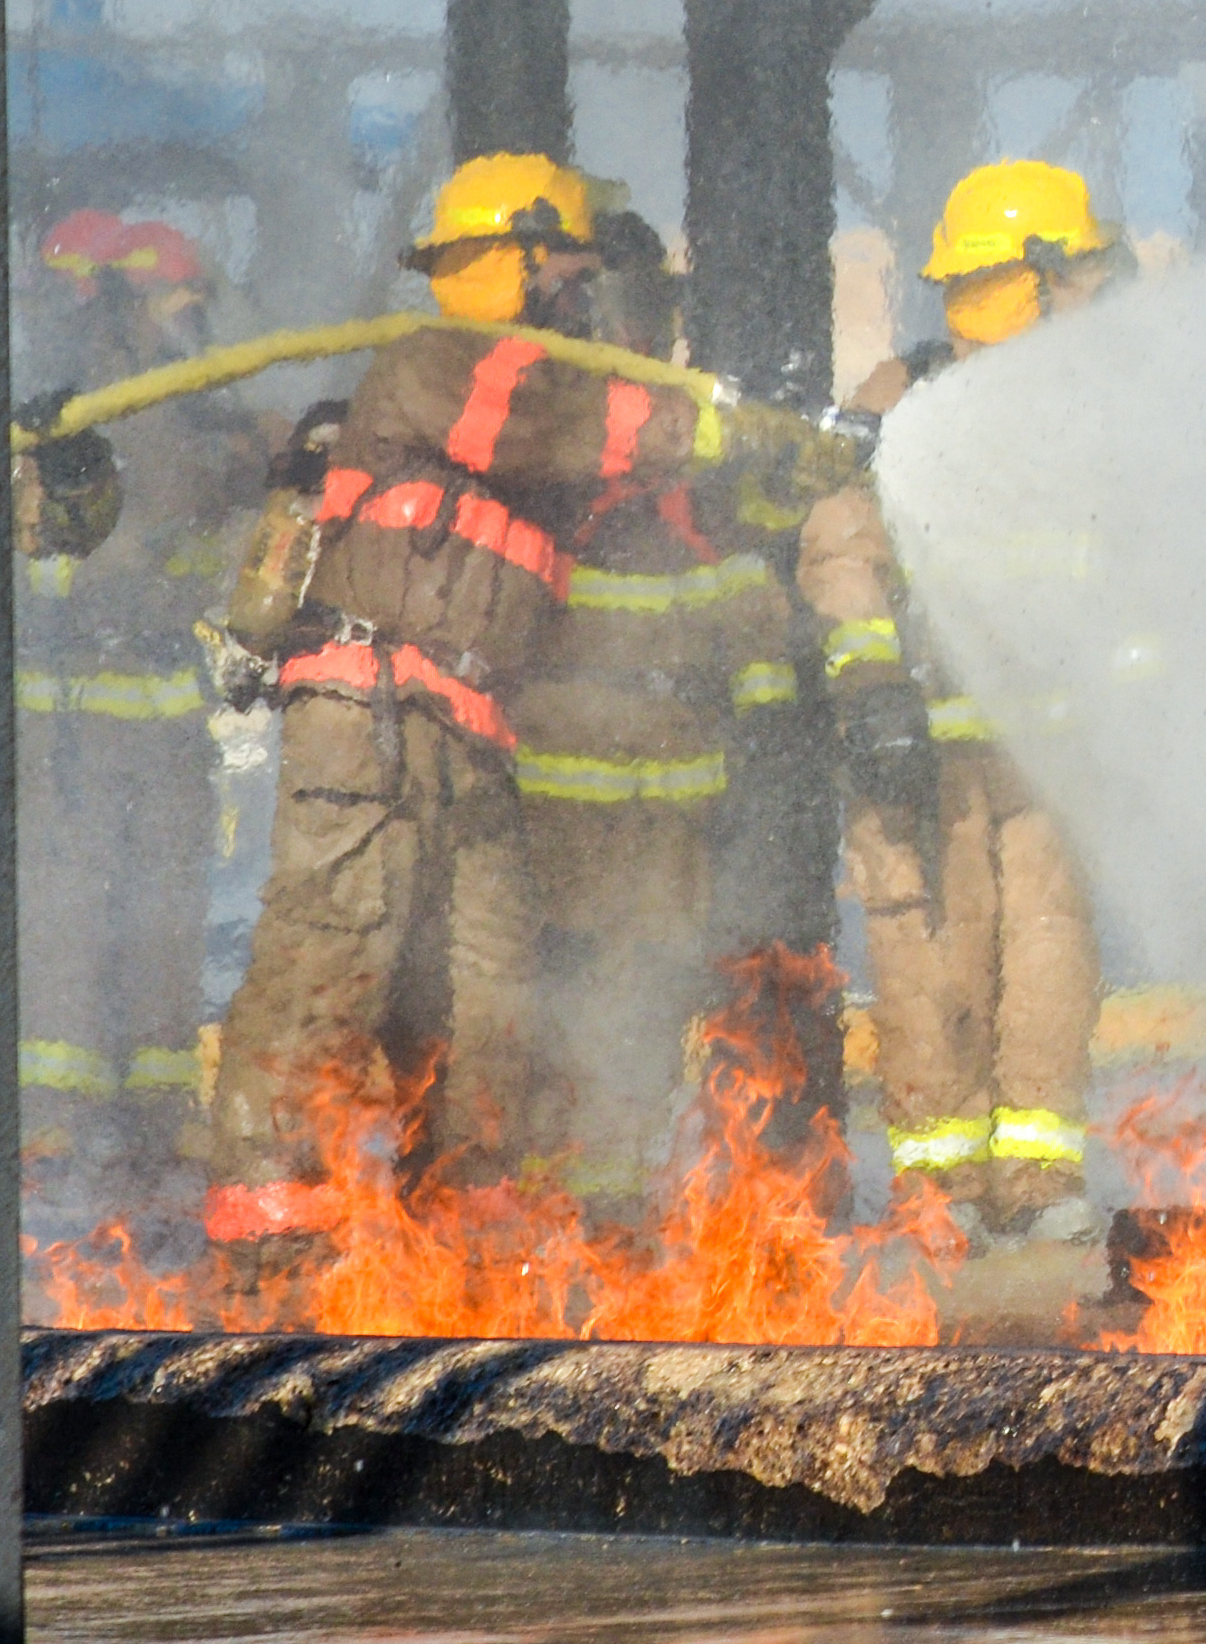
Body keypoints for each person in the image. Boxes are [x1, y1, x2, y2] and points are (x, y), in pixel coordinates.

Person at [198, 153, 848, 1283]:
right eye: (568, 269)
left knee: (490, 994)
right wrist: (716, 421)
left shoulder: (551, 396)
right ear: (514, 260)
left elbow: (663, 503)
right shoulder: (441, 367)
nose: (582, 292)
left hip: (470, 731)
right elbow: (559, 422)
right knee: (330, 960)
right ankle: (269, 1237)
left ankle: (464, 1223)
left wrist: (793, 463)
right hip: (370, 712)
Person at [796, 158, 1120, 1246]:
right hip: (923, 741)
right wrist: (876, 683)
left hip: (1044, 747)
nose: (1091, 294)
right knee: (931, 949)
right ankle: (943, 1192)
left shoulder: (1080, 401)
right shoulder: (902, 408)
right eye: (1074, 273)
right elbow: (842, 551)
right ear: (1023, 279)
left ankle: (1031, 1183)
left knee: (1043, 947)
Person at [508, 213, 835, 1215]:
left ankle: (600, 1190)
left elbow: (732, 569)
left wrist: (767, 705)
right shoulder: (566, 413)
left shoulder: (677, 444)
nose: (641, 325)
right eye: (619, 301)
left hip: (667, 769)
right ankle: (559, 1185)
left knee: (644, 976)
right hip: (573, 767)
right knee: (564, 973)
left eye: (651, 305)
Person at [16, 211, 238, 1205]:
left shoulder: (176, 403)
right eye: (175, 302)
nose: (189, 321)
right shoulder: (87, 404)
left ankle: (147, 1116)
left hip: (158, 707)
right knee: (73, 906)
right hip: (78, 712)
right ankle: (64, 1127)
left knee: (160, 910)